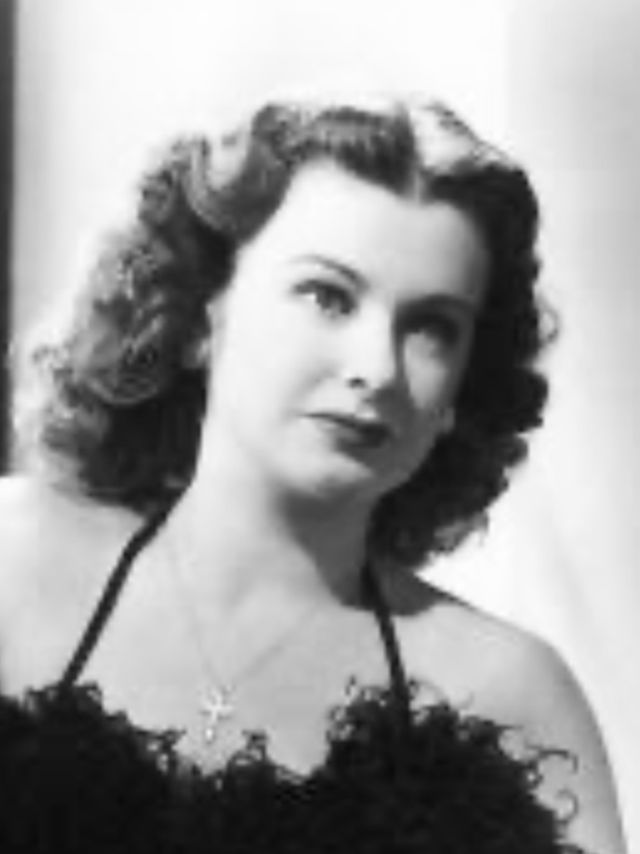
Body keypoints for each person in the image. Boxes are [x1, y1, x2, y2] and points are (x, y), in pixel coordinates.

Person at [0, 91, 627, 853]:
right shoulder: (14, 559)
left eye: (432, 328)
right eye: (327, 296)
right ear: (199, 317)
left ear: (465, 386)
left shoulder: (509, 696)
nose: (377, 369)